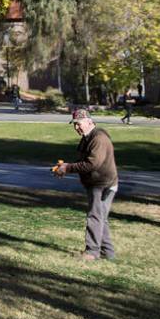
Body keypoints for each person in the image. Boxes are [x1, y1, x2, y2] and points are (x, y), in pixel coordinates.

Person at [54, 109, 118, 261]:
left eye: (79, 124)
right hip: (98, 183)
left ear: (89, 121)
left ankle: (92, 252)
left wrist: (68, 168)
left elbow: (92, 164)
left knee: (95, 216)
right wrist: (65, 167)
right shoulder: (87, 137)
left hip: (102, 184)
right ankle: (107, 253)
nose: (77, 128)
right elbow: (83, 161)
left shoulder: (99, 138)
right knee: (100, 217)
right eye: (74, 125)